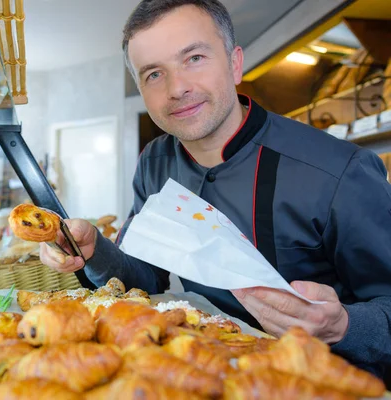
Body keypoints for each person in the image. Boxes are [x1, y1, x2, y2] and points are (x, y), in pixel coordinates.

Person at [40, 0, 391, 377]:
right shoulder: (154, 162)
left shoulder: (340, 171)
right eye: (154, 74)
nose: (177, 88)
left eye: (194, 58)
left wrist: (343, 327)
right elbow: (145, 280)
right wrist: (95, 250)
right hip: (206, 376)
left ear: (235, 63)